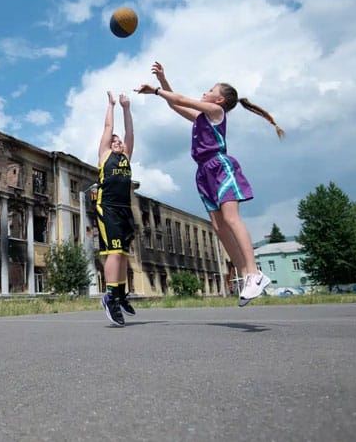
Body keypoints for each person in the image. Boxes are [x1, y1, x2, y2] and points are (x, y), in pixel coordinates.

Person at [135, 62, 285, 306]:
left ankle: (255, 272)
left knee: (231, 219)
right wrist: (163, 80)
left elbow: (181, 98)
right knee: (218, 226)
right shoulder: (201, 118)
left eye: (209, 90)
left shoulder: (216, 114)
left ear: (219, 101)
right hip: (203, 173)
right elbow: (176, 103)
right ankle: (245, 274)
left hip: (220, 167)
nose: (205, 92)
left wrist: (155, 90)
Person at [97, 91, 137, 326]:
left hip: (125, 210)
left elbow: (130, 132)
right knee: (114, 252)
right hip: (108, 207)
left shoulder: (126, 157)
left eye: (119, 141)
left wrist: (126, 108)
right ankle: (110, 297)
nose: (118, 142)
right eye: (114, 141)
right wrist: (111, 105)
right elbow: (108, 126)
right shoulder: (105, 156)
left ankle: (121, 293)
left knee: (122, 254)